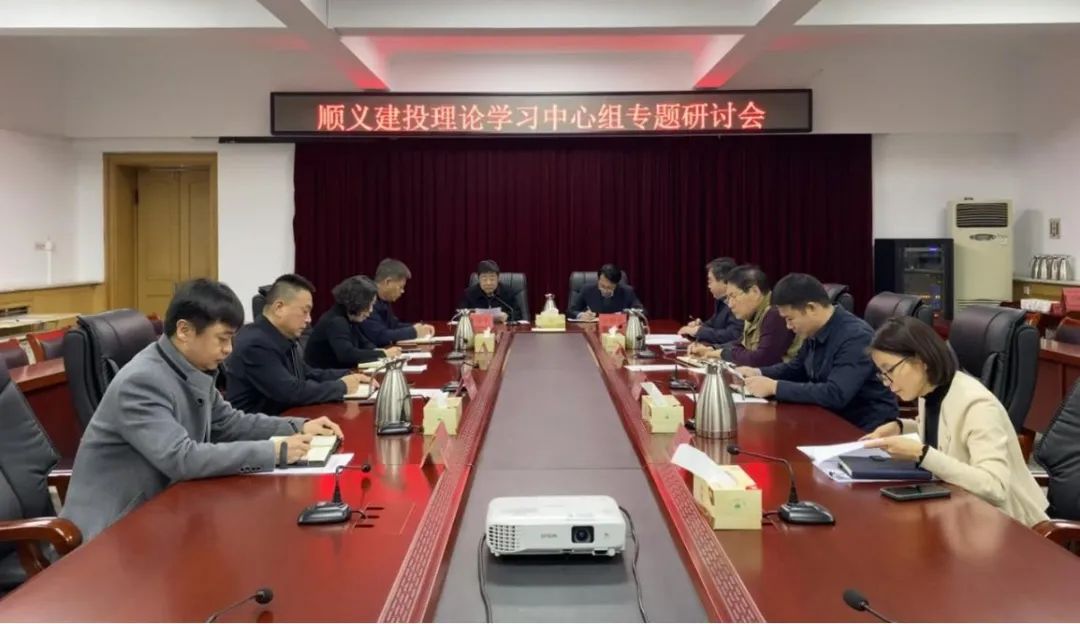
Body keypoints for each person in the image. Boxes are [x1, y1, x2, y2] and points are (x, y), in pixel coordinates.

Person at [60, 279, 344, 541]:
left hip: (165, 510)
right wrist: (275, 451)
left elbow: (229, 423)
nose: (229, 349)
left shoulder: (189, 367)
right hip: (113, 533)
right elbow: (181, 457)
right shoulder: (141, 381)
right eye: (222, 338)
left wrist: (297, 426)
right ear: (184, 331)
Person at [862, 316, 1049, 527]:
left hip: (1010, 525)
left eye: (890, 370)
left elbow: (994, 487)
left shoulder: (977, 405)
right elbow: (944, 431)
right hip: (963, 513)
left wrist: (921, 454)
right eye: (882, 374)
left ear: (921, 359)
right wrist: (900, 427)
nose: (887, 382)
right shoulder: (930, 391)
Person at [736, 273, 897, 431]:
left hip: (862, 429)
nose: (788, 326)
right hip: (825, 417)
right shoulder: (815, 330)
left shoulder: (856, 337)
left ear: (811, 308)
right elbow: (796, 368)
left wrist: (775, 387)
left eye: (790, 319)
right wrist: (757, 372)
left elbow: (835, 393)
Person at [226, 274, 371, 414]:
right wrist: (341, 387)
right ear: (279, 308)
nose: (309, 319)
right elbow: (290, 391)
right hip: (261, 426)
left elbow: (307, 373)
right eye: (304, 311)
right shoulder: (255, 344)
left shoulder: (282, 336)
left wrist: (349, 375)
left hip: (286, 417)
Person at [689, 265, 801, 367]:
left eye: (733, 296)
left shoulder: (775, 313)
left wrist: (719, 353)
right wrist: (711, 349)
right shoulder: (753, 313)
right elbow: (740, 345)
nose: (730, 304)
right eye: (728, 299)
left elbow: (761, 359)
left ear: (755, 292)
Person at [305, 275, 403, 369]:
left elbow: (365, 343)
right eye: (369, 305)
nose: (371, 310)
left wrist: (380, 351)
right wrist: (383, 354)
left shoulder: (349, 317)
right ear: (358, 302)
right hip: (324, 377)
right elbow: (347, 354)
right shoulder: (336, 321)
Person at [360, 258, 436, 347]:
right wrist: (414, 332)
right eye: (401, 287)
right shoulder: (366, 299)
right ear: (388, 282)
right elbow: (379, 336)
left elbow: (393, 326)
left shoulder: (384, 300)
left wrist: (417, 327)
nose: (403, 291)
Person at [679, 257, 743, 346]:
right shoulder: (721, 301)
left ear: (724, 281)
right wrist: (700, 326)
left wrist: (699, 331)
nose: (708, 285)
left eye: (710, 281)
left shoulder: (739, 302)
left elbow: (733, 336)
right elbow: (714, 324)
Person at [568, 263, 644, 320]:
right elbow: (571, 311)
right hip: (593, 330)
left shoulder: (627, 291)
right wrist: (581, 315)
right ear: (598, 280)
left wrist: (628, 314)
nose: (605, 290)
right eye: (602, 286)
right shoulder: (587, 290)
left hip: (619, 331)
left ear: (616, 284)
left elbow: (642, 312)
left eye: (609, 287)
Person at [458, 260, 523, 323]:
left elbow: (518, 315)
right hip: (477, 329)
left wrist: (507, 316)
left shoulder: (508, 292)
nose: (488, 283)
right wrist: (470, 317)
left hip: (502, 329)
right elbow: (459, 316)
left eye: (492, 279)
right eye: (484, 279)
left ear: (498, 278)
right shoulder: (469, 293)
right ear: (478, 279)